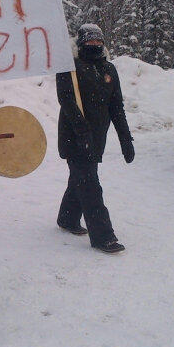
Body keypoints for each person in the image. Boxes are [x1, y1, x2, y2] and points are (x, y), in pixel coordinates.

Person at [56, 24, 134, 254]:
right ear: (80, 44)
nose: (94, 46)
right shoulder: (69, 69)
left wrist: (125, 140)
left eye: (98, 42)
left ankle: (67, 218)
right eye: (89, 42)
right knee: (90, 184)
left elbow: (116, 107)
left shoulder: (109, 69)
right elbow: (68, 103)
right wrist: (82, 134)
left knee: (81, 178)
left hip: (97, 138)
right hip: (74, 137)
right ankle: (103, 236)